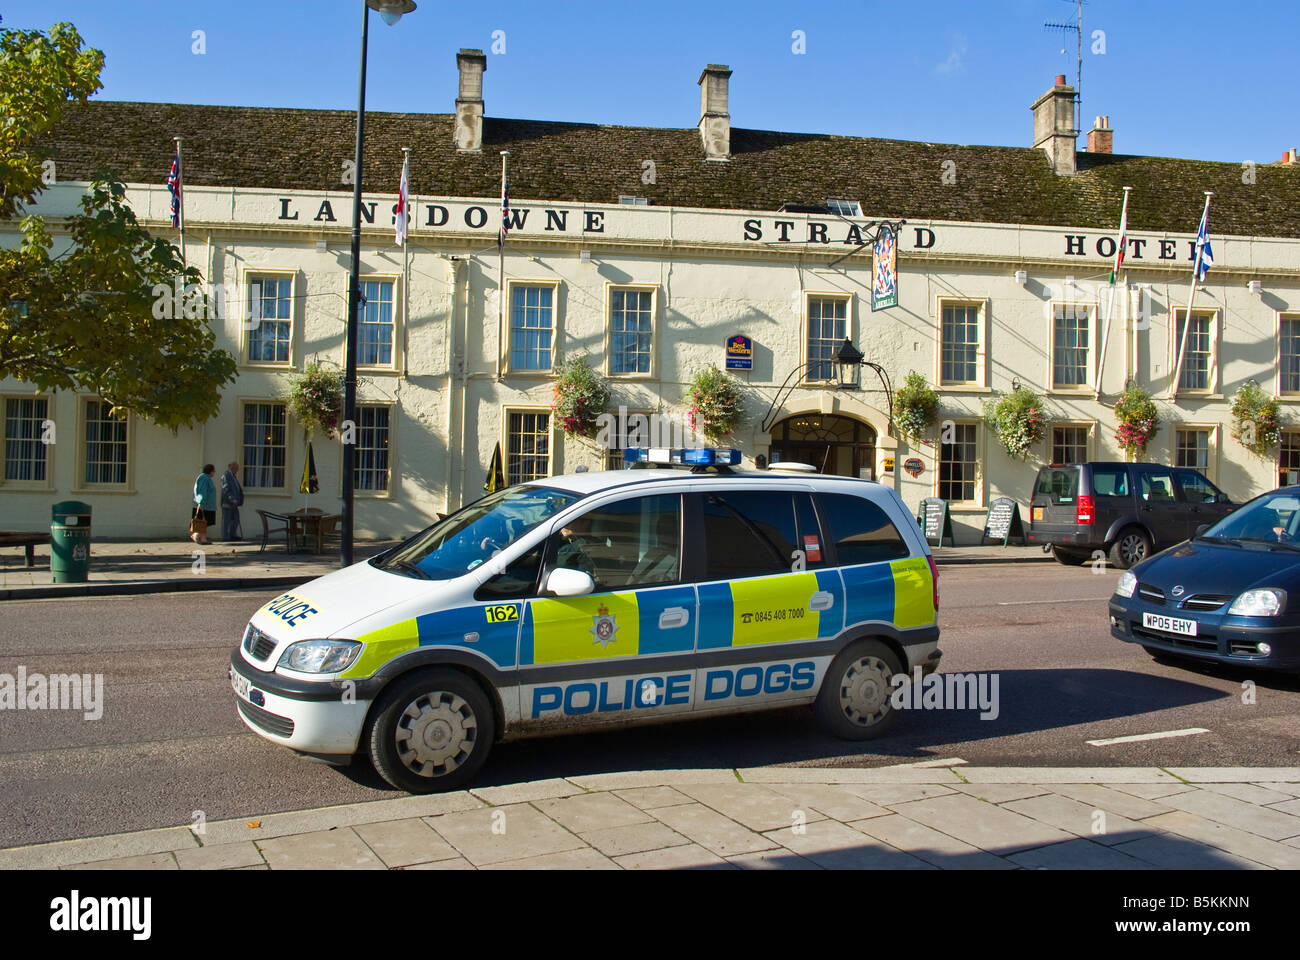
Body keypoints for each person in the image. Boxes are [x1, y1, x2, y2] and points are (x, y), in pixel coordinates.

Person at [192, 464, 216, 545]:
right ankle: (201, 538)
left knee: (204, 522)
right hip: (204, 505)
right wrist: (200, 503)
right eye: (213, 471)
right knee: (203, 522)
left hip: (207, 505)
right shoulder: (204, 478)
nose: (214, 472)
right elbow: (202, 491)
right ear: (210, 471)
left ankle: (199, 537)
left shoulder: (205, 478)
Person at [221, 461, 244, 541]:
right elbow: (226, 488)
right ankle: (226, 537)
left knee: (235, 519)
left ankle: (232, 534)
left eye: (237, 468)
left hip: (234, 502)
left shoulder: (233, 476)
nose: (237, 470)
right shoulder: (227, 475)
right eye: (236, 468)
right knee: (227, 520)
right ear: (231, 467)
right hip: (228, 502)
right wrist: (231, 498)